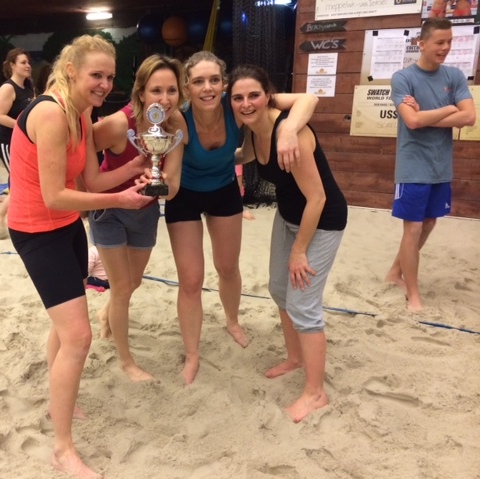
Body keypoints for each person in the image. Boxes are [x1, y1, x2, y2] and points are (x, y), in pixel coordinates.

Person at [6, 34, 152, 479]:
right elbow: (54, 194)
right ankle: (62, 448)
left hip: (66, 226)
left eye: (110, 76)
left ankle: (58, 406)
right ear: (71, 71)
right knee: (79, 336)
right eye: (96, 75)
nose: (105, 84)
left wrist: (135, 169)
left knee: (64, 327)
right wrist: (121, 202)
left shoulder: (84, 114)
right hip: (36, 232)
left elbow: (91, 180)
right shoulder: (51, 113)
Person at [165, 50, 319, 384]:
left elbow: (307, 99)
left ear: (224, 84)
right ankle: (192, 354)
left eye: (214, 80)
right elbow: (163, 161)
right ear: (187, 87)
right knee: (190, 280)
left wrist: (289, 129)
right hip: (184, 195)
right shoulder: (179, 118)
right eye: (198, 81)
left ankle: (232, 320)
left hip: (223, 191)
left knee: (227, 267)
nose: (207, 88)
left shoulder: (234, 107)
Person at [229, 64, 347, 423]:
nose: (246, 103)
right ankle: (295, 358)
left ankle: (316, 393)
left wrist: (299, 251)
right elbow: (243, 157)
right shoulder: (253, 132)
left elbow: (318, 199)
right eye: (238, 97)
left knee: (304, 305)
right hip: (288, 216)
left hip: (322, 221)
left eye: (254, 95)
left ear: (269, 95)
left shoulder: (289, 130)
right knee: (279, 290)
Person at [90, 54, 187, 382]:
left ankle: (106, 313)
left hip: (145, 212)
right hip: (110, 210)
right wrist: (85, 192)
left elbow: (173, 187)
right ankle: (127, 362)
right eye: (156, 90)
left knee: (133, 282)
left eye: (172, 90)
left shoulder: (175, 125)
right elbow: (78, 149)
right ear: (141, 92)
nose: (165, 99)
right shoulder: (120, 124)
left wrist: (157, 185)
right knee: (121, 288)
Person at [385, 18, 475, 312]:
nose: (445, 47)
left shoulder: (455, 76)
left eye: (449, 42)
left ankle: (395, 272)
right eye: (439, 42)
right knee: (412, 228)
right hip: (412, 165)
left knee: (429, 222)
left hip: (440, 165)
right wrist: (449, 108)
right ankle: (413, 294)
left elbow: (469, 117)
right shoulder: (403, 78)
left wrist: (427, 116)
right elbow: (411, 121)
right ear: (422, 44)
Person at [0, 48, 34, 229]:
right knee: (19, 179)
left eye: (28, 62)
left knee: (27, 177)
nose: (28, 65)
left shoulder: (28, 87)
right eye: (23, 62)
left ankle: (15, 212)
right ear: (12, 66)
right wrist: (21, 125)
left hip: (25, 141)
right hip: (8, 142)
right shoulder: (8, 88)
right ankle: (0, 214)